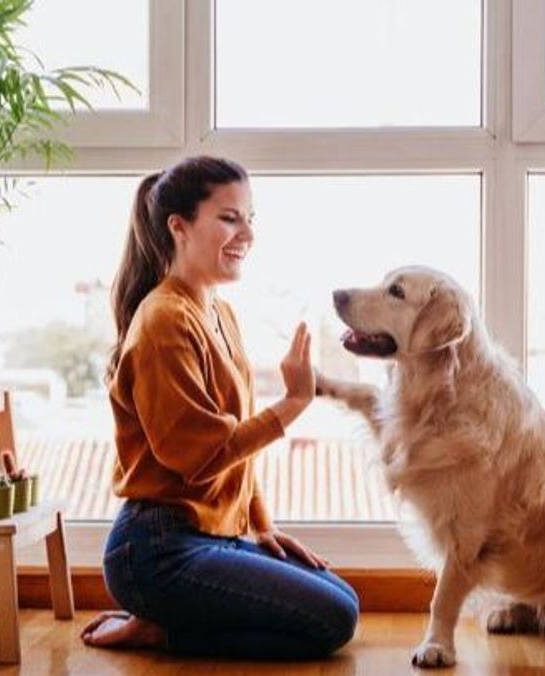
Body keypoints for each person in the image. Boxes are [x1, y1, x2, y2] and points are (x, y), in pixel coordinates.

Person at [80, 156, 359, 659]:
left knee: (343, 599)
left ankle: (167, 622)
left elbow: (236, 458)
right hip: (155, 549)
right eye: (230, 218)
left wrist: (261, 525)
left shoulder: (218, 311)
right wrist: (294, 403)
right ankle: (160, 631)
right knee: (332, 620)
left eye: (250, 218)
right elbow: (199, 457)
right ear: (179, 227)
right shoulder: (163, 321)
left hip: (211, 534)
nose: (246, 233)